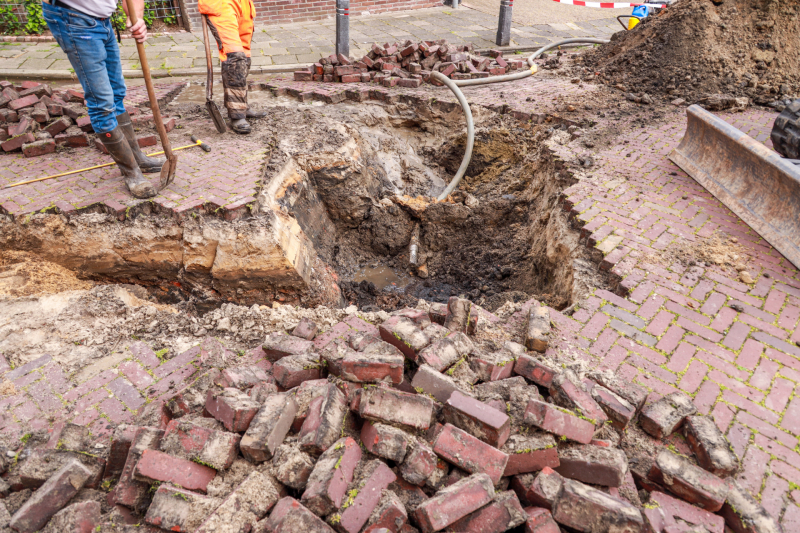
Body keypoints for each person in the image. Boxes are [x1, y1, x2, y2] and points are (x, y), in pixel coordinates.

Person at [42, 0, 162, 199]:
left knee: (117, 93)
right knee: (102, 102)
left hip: (103, 21)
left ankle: (137, 158)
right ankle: (131, 172)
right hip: (74, 18)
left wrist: (137, 18)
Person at [200, 0, 266, 134]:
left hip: (244, 4)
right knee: (235, 57)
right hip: (222, 4)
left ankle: (241, 106)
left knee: (245, 57)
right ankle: (237, 115)